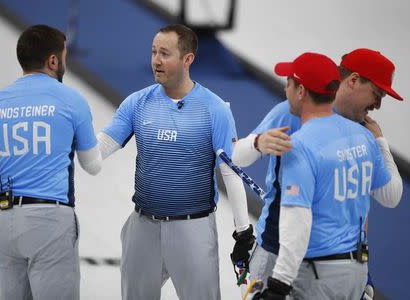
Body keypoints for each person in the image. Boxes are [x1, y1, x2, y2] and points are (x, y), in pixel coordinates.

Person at [96, 24, 254, 300]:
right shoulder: (137, 102)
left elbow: (230, 173)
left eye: (165, 54)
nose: (156, 60)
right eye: (154, 52)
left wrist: (243, 232)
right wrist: (66, 146)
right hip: (143, 226)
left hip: (193, 229)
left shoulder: (214, 109)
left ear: (187, 59)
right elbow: (99, 150)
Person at [233, 48, 403, 297]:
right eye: (377, 94)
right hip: (276, 250)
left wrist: (362, 264)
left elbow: (372, 198)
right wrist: (258, 142)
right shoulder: (291, 112)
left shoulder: (363, 131)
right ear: (353, 80)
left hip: (325, 265)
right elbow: (237, 157)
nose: (377, 105)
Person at [0, 24, 102, 300]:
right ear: (53, 60)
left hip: (5, 220)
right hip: (50, 220)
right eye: (64, 56)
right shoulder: (71, 99)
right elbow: (92, 165)